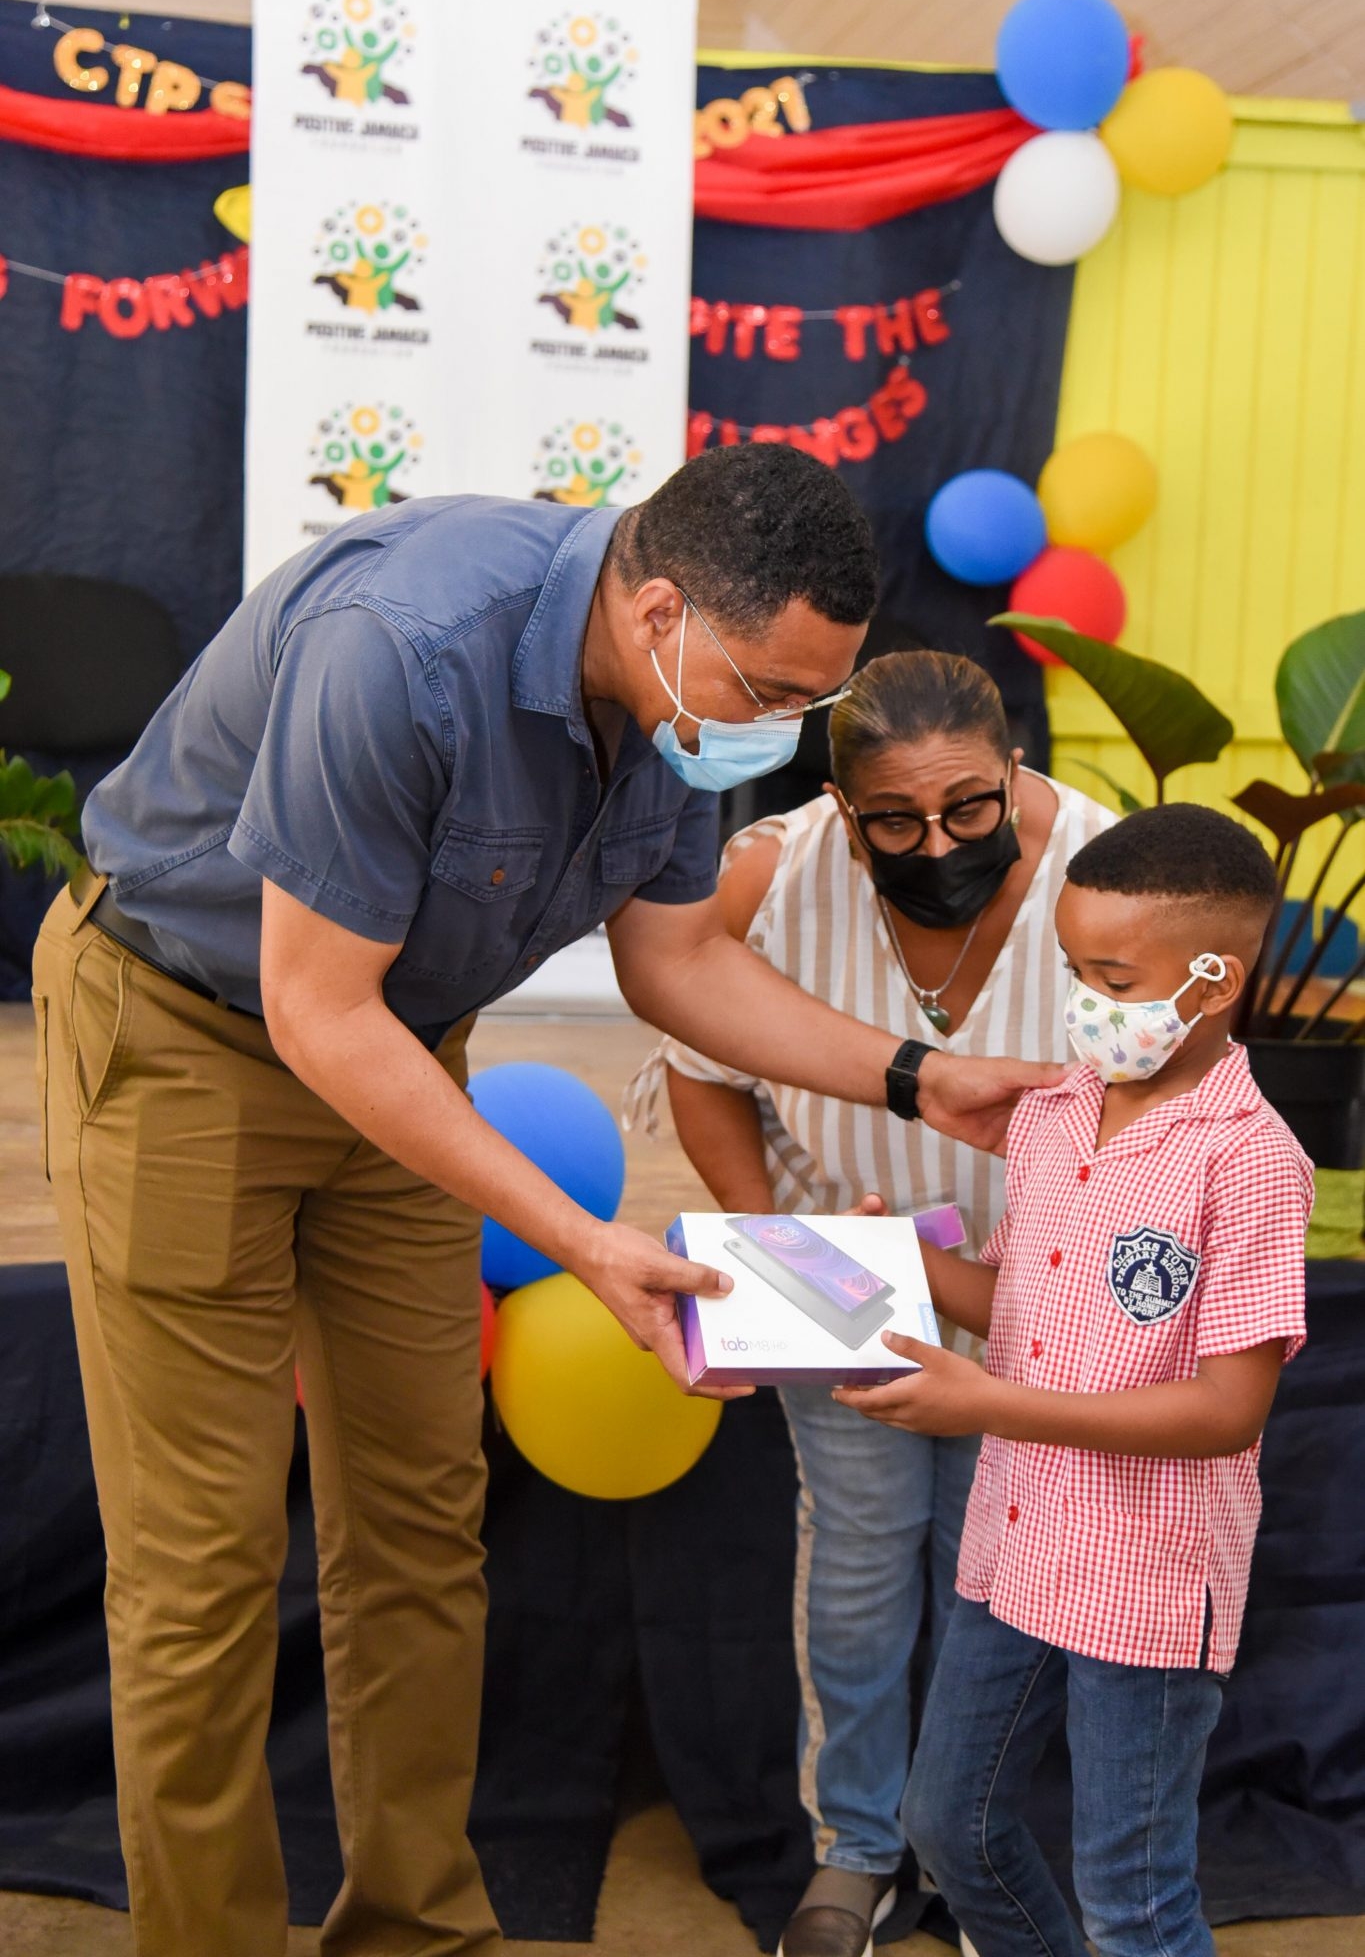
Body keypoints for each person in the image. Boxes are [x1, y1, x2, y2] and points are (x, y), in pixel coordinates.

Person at [31, 444, 1054, 1957]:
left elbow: (679, 967)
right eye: (769, 694)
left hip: (403, 1049)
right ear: (656, 611)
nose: (777, 734)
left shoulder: (680, 702)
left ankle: (419, 1929)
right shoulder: (405, 646)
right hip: (190, 1034)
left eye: (805, 705)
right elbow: (318, 1012)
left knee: (422, 1529)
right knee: (203, 1566)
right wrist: (584, 1240)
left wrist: (914, 1078)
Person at [631, 649, 1111, 1957]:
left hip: (1035, 1296)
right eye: (893, 821)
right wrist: (774, 1244)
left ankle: (969, 1847)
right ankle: (853, 1847)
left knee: (985, 1579)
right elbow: (697, 1059)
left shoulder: (1109, 878)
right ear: (840, 811)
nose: (938, 840)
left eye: (970, 807)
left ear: (1017, 770)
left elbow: (1159, 1109)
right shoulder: (771, 876)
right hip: (838, 1291)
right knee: (852, 1576)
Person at [836, 805, 1313, 1957]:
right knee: (948, 1822)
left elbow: (1226, 1409)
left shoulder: (1251, 1161)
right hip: (1017, 1542)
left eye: (1111, 974)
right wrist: (896, 1258)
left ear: (1216, 979)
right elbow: (1023, 1306)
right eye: (1071, 967)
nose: (1084, 998)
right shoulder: (1053, 1116)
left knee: (1134, 1899)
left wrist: (987, 1403)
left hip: (1146, 1577)